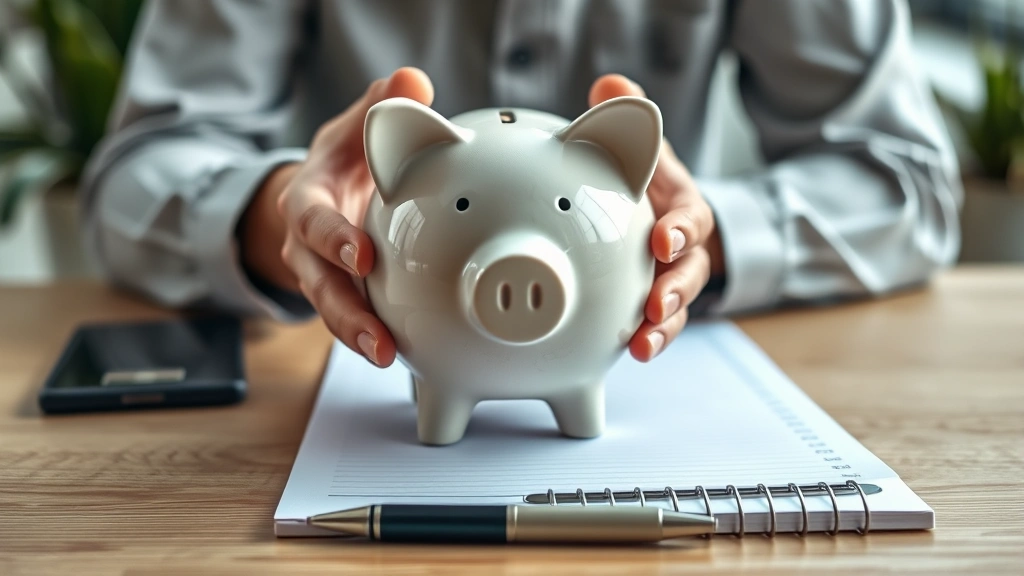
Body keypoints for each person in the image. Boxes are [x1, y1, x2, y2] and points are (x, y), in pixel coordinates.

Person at [81, 0, 962, 368]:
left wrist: (694, 236)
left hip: (638, 332)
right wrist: (286, 215)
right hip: (375, 344)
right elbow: (134, 176)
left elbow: (905, 182)